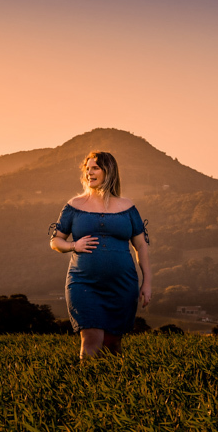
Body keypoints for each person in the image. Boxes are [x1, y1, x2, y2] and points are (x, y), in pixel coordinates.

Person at [49, 151, 152, 358]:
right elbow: (55, 241)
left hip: (122, 284)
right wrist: (73, 245)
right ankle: (87, 387)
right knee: (91, 341)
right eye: (87, 169)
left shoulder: (128, 207)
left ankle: (113, 388)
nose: (89, 173)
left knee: (113, 345)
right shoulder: (74, 206)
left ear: (109, 171)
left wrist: (147, 282)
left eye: (95, 168)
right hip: (84, 283)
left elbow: (141, 246)